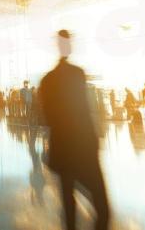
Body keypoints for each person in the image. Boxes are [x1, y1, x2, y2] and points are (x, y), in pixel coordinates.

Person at [38, 30, 109, 230]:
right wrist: (94, 142)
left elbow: (47, 118)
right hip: (82, 148)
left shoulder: (47, 80)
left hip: (62, 150)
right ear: (67, 45)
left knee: (69, 207)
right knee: (102, 208)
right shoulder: (77, 74)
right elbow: (83, 112)